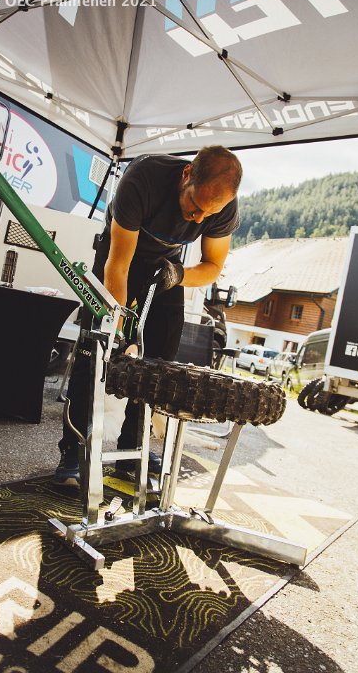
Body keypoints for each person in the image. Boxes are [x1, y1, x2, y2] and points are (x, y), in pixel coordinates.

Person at [55, 145, 243, 486]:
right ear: (187, 175)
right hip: (119, 255)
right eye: (195, 205)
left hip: (166, 268)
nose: (199, 219)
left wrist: (179, 274)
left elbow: (213, 265)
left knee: (160, 361)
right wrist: (119, 329)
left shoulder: (222, 207)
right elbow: (119, 265)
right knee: (95, 350)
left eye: (209, 213)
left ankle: (133, 448)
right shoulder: (143, 179)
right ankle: (74, 451)